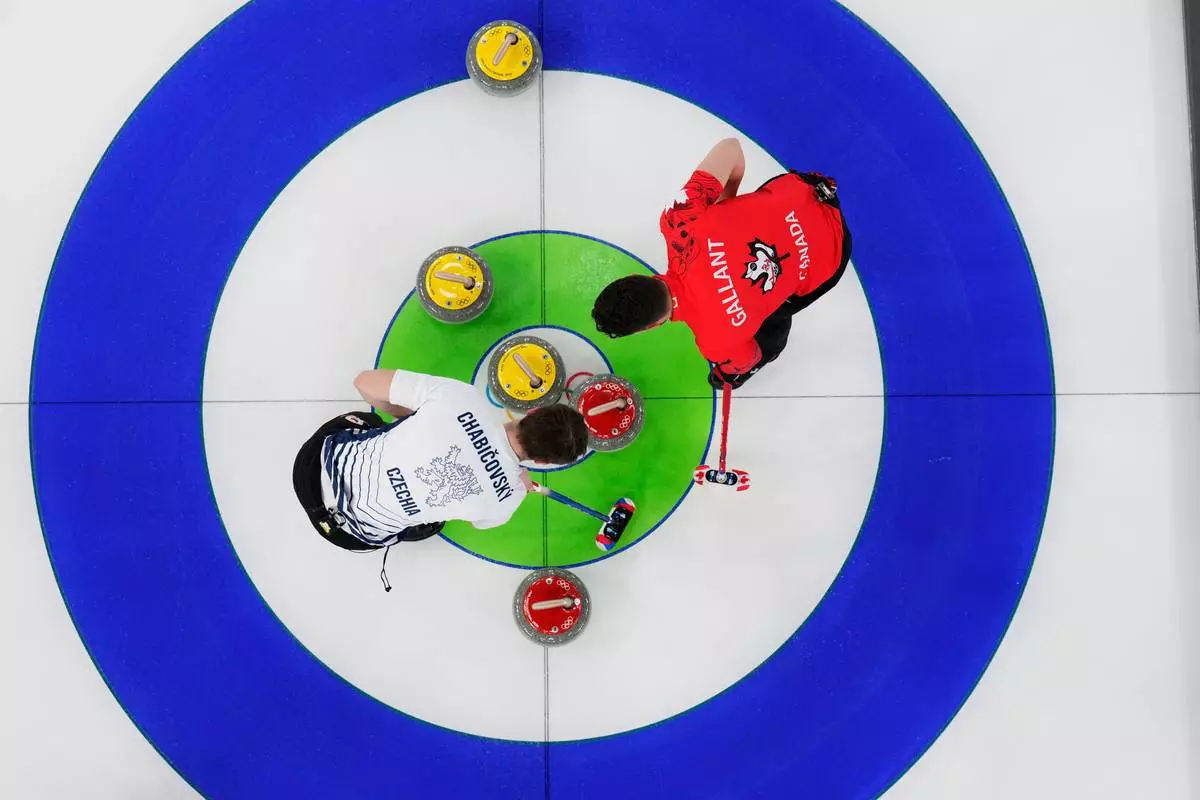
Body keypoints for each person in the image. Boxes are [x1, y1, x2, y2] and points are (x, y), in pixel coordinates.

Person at [591, 138, 852, 389]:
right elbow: (731, 148)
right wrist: (726, 206)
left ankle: (768, 334)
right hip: (809, 193)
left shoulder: (716, 343)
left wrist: (728, 374)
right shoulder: (678, 221)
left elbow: (748, 357)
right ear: (639, 275)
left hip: (833, 253)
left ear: (652, 325)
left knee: (765, 336)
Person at [292, 368, 589, 589]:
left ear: (532, 410)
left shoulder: (461, 397)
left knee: (370, 420)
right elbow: (479, 522)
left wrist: (413, 418)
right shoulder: (509, 501)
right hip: (349, 535)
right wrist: (516, 485)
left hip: (310, 469)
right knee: (432, 524)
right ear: (542, 462)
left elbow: (364, 382)